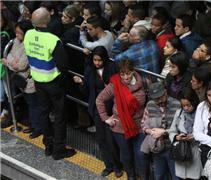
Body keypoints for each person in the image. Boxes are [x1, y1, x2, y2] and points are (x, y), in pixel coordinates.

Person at [23, 7, 76, 160]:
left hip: (38, 81)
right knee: (59, 116)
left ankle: (48, 145)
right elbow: (63, 65)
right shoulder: (53, 40)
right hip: (53, 82)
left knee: (44, 113)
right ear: (49, 21)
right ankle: (59, 149)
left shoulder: (28, 34)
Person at [73, 46, 122, 177]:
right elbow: (87, 90)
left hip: (112, 108)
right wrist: (81, 83)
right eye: (95, 60)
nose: (97, 63)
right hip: (97, 109)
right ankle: (109, 165)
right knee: (101, 138)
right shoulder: (90, 70)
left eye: (99, 60)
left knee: (111, 139)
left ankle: (118, 166)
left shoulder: (112, 68)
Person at [96, 60, 149, 180]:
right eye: (122, 74)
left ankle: (144, 176)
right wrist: (106, 118)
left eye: (128, 73)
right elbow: (99, 100)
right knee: (126, 155)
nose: (125, 77)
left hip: (139, 126)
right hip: (120, 127)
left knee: (141, 154)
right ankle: (131, 176)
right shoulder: (115, 84)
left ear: (133, 71)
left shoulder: (144, 82)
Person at [2, 20, 42, 139]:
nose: (17, 35)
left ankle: (37, 127)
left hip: (30, 81)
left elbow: (21, 66)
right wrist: (12, 62)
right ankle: (33, 124)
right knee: (29, 103)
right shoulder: (15, 41)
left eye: (20, 33)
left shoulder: (30, 45)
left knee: (34, 105)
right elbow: (8, 54)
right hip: (20, 80)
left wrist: (10, 63)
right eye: (16, 32)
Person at [141, 82, 181, 180]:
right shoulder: (150, 105)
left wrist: (164, 132)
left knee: (176, 177)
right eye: (155, 99)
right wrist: (150, 131)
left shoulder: (177, 105)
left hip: (173, 148)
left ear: (165, 92)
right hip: (157, 149)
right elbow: (143, 124)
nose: (158, 101)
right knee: (159, 176)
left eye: (160, 97)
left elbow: (180, 129)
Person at [168, 88, 202, 179]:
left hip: (195, 153)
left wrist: (194, 137)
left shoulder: (201, 113)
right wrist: (176, 137)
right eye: (183, 105)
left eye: (188, 105)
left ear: (194, 102)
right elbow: (172, 131)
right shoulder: (179, 113)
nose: (186, 108)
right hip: (181, 152)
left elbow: (205, 134)